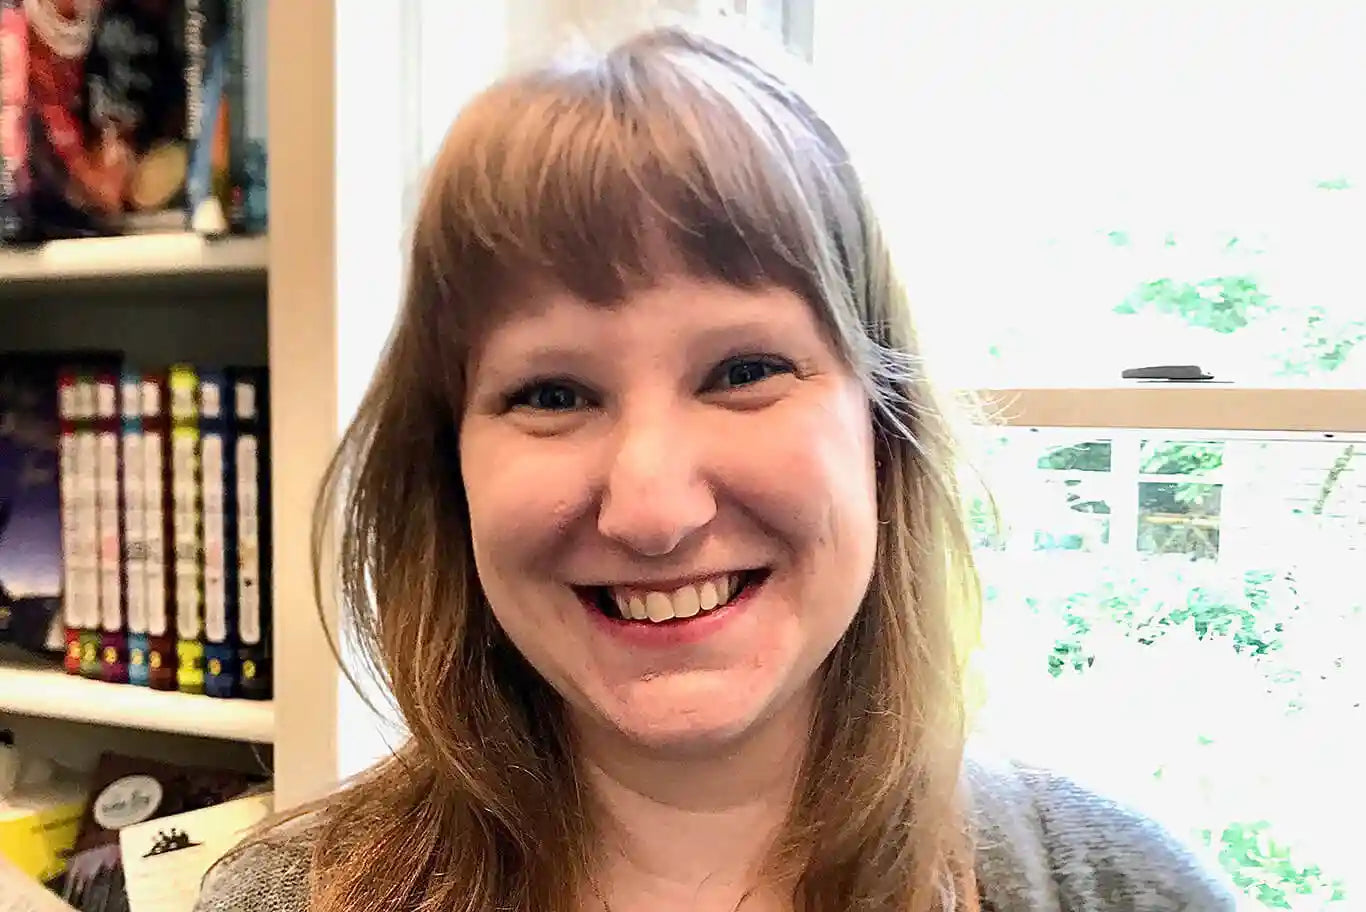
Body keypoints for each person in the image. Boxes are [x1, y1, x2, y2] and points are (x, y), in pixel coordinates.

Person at [194, 23, 1237, 912]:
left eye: (744, 371)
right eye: (552, 395)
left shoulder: (1125, 886)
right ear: (446, 471)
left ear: (883, 430)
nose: (652, 509)